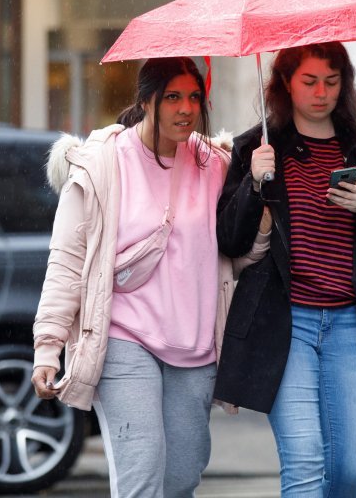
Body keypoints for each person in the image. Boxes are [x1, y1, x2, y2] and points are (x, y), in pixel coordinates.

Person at [31, 57, 270, 497]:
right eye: (173, 97)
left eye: (194, 97)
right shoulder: (101, 165)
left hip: (196, 346)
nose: (186, 109)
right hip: (124, 339)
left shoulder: (215, 165)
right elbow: (67, 260)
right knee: (141, 475)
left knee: (181, 477)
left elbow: (237, 258)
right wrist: (48, 347)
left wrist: (262, 210)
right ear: (145, 101)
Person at [213, 41, 356, 497]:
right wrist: (252, 182)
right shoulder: (256, 148)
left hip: (351, 325)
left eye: (331, 81)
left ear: (345, 85)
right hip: (286, 325)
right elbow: (229, 239)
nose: (321, 92)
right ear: (285, 83)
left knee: (351, 469)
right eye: (309, 81)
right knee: (304, 462)